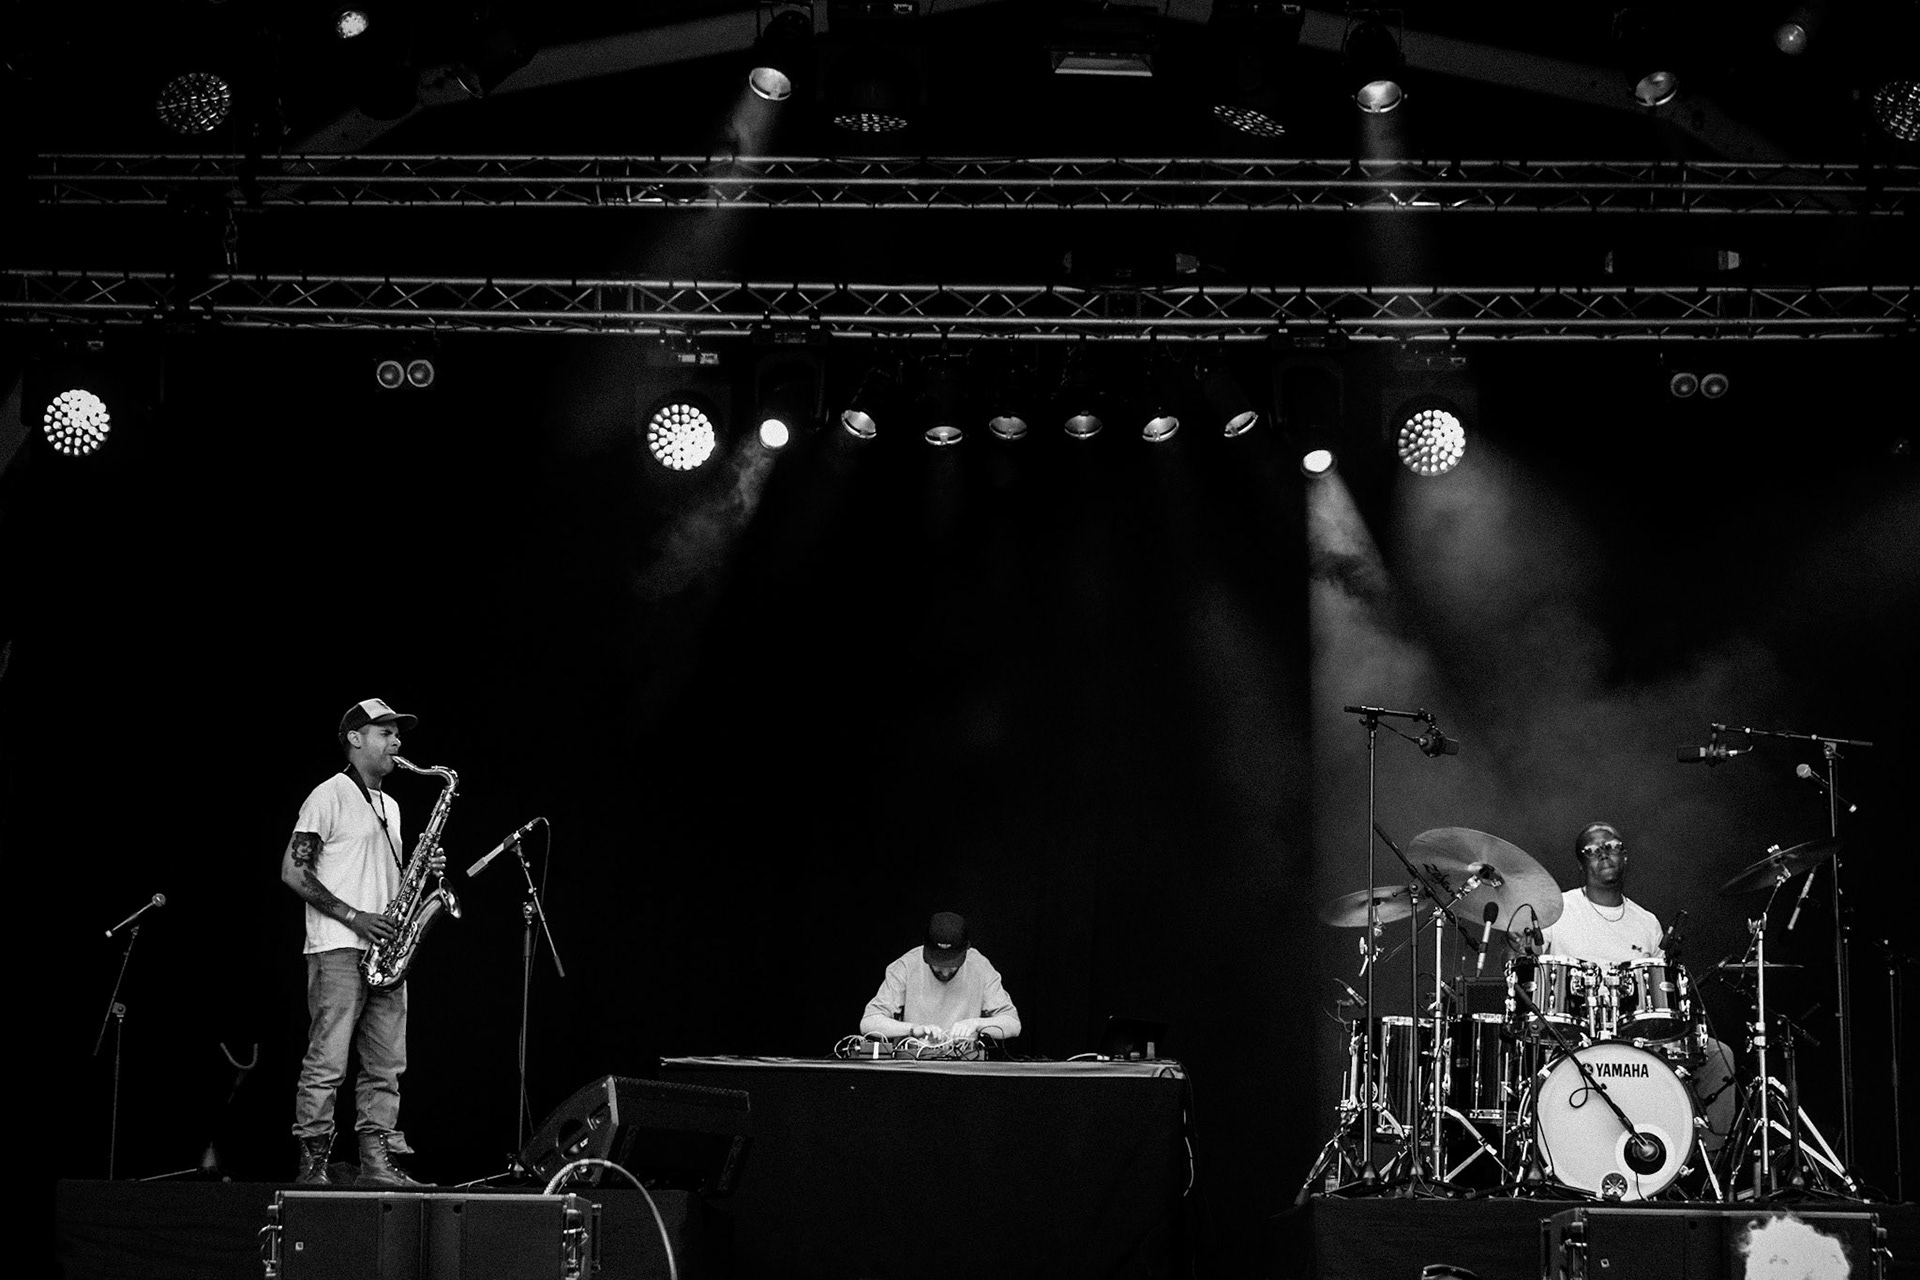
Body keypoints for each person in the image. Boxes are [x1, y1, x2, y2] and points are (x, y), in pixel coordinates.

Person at [282, 698, 441, 1187]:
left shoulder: (390, 805)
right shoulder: (327, 795)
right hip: (338, 947)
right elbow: (293, 870)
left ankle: (377, 1163)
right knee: (328, 1061)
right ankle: (313, 1164)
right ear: (355, 738)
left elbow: (384, 878)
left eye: (398, 735)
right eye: (384, 733)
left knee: (387, 1065)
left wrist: (425, 875)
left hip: (387, 952)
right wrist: (355, 917)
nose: (397, 743)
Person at [1538, 820, 1736, 1156]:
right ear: (1581, 863)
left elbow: (1663, 989)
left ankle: (1701, 1166)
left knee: (1720, 1057)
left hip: (1639, 1036)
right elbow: (1522, 964)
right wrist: (1514, 946)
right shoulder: (1558, 910)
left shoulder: (1646, 922)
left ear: (1625, 856)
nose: (1603, 854)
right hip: (1573, 1037)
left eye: (1612, 846)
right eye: (1592, 850)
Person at [860, 912, 1022, 1043]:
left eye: (952, 964)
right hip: (914, 1066)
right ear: (925, 948)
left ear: (966, 950)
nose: (945, 972)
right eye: (937, 963)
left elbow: (1013, 1025)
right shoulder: (905, 966)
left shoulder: (980, 966)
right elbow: (868, 1023)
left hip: (966, 1068)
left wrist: (976, 1024)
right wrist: (914, 1029)